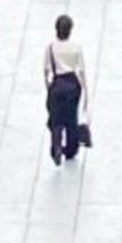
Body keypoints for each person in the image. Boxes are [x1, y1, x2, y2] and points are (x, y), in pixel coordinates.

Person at [42, 12, 87, 165]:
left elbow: (46, 69)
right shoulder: (76, 48)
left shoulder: (50, 48)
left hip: (57, 83)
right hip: (72, 84)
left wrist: (48, 86)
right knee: (71, 117)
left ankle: (56, 145)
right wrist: (85, 91)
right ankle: (71, 148)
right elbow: (81, 70)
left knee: (56, 117)